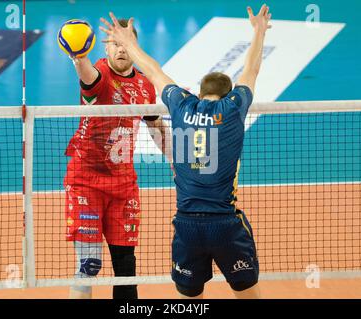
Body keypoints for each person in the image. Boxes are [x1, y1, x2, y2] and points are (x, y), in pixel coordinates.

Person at [99, 4, 271, 298]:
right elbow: (251, 70)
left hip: (188, 226)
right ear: (229, 96)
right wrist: (258, 32)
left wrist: (128, 42)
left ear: (198, 93)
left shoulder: (181, 104)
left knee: (190, 301)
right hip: (226, 225)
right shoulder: (233, 109)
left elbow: (153, 70)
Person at [63, 18, 170, 299]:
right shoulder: (98, 75)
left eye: (126, 43)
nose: (120, 49)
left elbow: (156, 125)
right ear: (106, 48)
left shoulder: (145, 86)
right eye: (114, 44)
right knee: (89, 265)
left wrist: (176, 160)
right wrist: (78, 57)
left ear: (134, 47)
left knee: (126, 268)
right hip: (86, 179)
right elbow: (87, 76)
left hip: (123, 185)